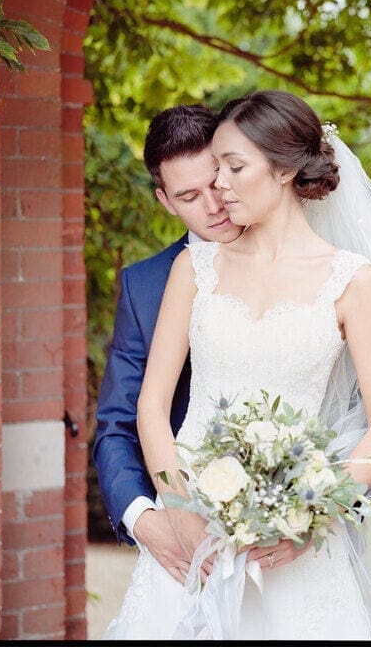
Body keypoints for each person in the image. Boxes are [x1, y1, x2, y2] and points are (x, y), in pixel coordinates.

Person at [104, 90, 371, 640]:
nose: (219, 188)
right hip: (191, 529)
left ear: (281, 170)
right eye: (205, 179)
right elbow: (149, 405)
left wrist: (311, 519)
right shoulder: (193, 267)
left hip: (294, 543)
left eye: (230, 168)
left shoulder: (352, 280)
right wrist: (177, 509)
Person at [93, 104, 243, 584]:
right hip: (184, 527)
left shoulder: (313, 265)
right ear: (165, 201)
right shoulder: (146, 285)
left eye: (217, 181)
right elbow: (117, 422)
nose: (214, 206)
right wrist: (145, 518)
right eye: (189, 195)